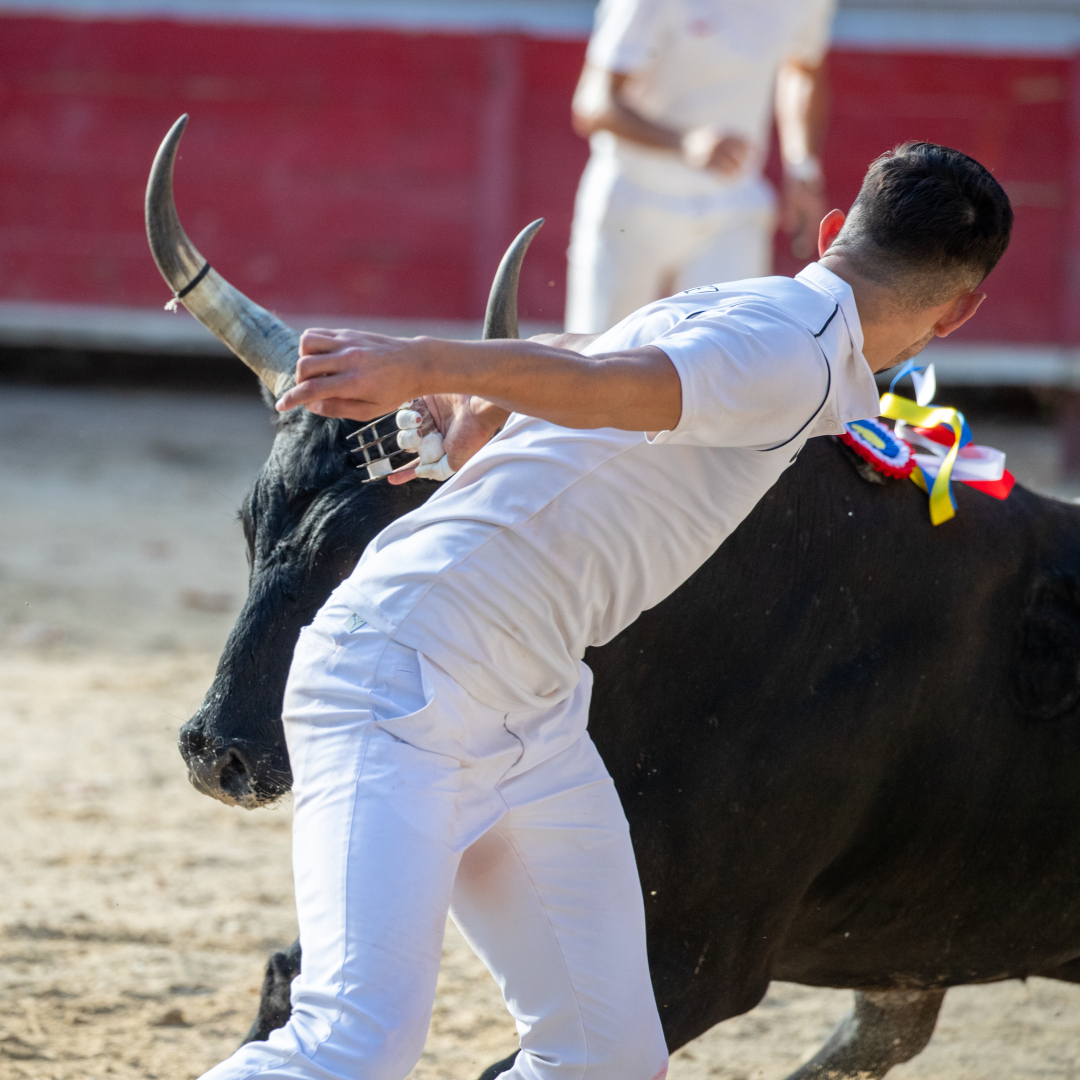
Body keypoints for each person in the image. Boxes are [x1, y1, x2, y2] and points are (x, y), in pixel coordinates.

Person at [198, 143, 1012, 1080]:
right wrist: (422, 360)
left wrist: (462, 402)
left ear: (832, 232)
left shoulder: (749, 310)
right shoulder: (793, 349)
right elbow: (605, 387)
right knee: (352, 1040)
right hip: (405, 669)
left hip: (528, 711)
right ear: (961, 310)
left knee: (608, 1059)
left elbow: (577, 364)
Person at [566, 0, 836, 334]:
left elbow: (803, 66)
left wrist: (803, 167)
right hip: (634, 200)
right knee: (598, 361)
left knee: (729, 361)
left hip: (733, 204)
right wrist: (684, 143)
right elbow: (593, 103)